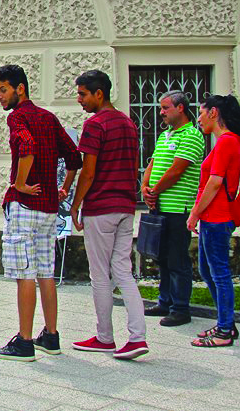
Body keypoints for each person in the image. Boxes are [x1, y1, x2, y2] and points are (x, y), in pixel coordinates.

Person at [0, 65, 82, 362]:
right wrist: (63, 188)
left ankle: (24, 342)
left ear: (20, 88)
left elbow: (26, 146)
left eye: (3, 90)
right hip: (49, 208)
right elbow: (74, 157)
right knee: (45, 272)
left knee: (24, 273)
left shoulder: (17, 117)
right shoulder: (48, 117)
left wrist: (20, 183)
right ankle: (50, 336)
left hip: (26, 205)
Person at [70, 70, 148, 360]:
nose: (79, 100)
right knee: (124, 272)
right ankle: (138, 337)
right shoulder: (128, 123)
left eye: (83, 94)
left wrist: (75, 204)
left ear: (98, 93)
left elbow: (88, 172)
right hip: (126, 207)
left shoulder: (95, 124)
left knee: (100, 275)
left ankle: (105, 337)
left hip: (101, 207)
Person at [187, 94, 240, 348]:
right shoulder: (228, 141)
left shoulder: (226, 142)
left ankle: (224, 330)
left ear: (213, 112)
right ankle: (226, 322)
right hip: (213, 217)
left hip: (217, 217)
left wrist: (195, 213)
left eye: (201, 113)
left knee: (219, 273)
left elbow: (214, 183)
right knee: (207, 270)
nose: (199, 119)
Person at [141, 91, 204, 327]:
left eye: (166, 108)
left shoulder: (191, 135)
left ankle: (180, 308)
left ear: (180, 108)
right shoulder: (164, 135)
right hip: (159, 206)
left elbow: (177, 170)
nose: (161, 112)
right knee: (163, 257)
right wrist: (145, 187)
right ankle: (164, 301)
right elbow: (153, 163)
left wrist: (155, 190)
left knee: (177, 259)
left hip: (178, 209)